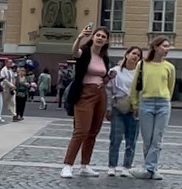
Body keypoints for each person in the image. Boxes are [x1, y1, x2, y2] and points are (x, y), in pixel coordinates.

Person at [61, 25, 111, 178]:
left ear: (106, 41)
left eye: (103, 36)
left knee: (93, 132)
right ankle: (67, 165)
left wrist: (110, 77)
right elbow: (75, 52)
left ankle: (85, 165)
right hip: (84, 93)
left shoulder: (104, 57)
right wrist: (80, 37)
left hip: (100, 93)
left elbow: (103, 76)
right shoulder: (85, 52)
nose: (100, 38)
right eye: (98, 35)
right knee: (81, 131)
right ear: (93, 37)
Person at [129, 36, 176, 180]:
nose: (167, 49)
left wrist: (166, 98)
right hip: (146, 102)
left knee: (157, 138)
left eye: (168, 46)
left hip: (163, 103)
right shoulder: (142, 64)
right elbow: (135, 85)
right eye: (164, 46)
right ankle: (150, 168)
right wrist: (135, 103)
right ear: (155, 47)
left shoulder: (169, 67)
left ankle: (150, 169)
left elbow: (170, 87)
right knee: (147, 139)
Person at [105, 46, 142, 177]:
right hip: (118, 106)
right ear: (126, 54)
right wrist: (108, 108)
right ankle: (112, 166)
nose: (135, 56)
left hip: (133, 108)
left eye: (138, 55)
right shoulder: (115, 71)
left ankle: (127, 166)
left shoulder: (140, 73)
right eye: (133, 53)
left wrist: (138, 106)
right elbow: (108, 90)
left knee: (131, 138)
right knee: (116, 137)